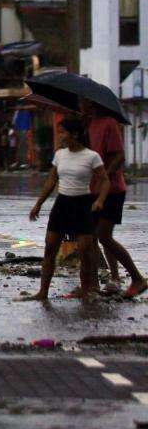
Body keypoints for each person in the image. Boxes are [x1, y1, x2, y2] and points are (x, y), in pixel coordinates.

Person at [23, 117, 110, 301]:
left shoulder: (91, 156)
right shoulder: (60, 154)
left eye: (63, 132)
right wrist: (38, 204)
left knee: (86, 250)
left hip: (83, 205)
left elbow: (105, 181)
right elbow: (51, 180)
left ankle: (86, 290)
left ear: (75, 134)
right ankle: (42, 292)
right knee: (50, 248)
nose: (61, 136)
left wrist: (100, 200)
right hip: (62, 204)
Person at [81, 99, 148, 298]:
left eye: (82, 102)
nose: (79, 105)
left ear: (92, 103)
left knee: (103, 236)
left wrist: (105, 174)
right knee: (89, 238)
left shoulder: (109, 123)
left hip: (112, 190)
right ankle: (91, 285)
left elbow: (119, 155)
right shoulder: (89, 124)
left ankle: (137, 278)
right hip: (92, 189)